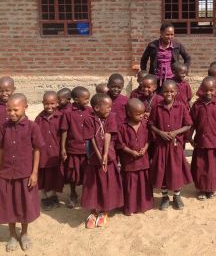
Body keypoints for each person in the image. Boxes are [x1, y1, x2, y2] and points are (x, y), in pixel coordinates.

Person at [0, 94, 44, 252]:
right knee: (9, 205)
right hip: (7, 173)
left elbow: (37, 150)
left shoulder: (32, 127)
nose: (11, 113)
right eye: (8, 110)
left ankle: (25, 233)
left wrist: (34, 173)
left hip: (25, 173)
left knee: (24, 205)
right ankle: (12, 235)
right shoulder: (3, 127)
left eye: (15, 110)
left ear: (25, 108)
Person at [149, 80, 193, 210]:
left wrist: (175, 132)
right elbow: (151, 124)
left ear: (176, 92)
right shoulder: (157, 107)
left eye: (172, 91)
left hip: (175, 146)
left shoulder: (181, 107)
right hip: (161, 146)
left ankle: (177, 196)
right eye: (166, 91)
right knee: (162, 170)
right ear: (162, 92)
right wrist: (160, 133)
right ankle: (164, 197)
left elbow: (188, 124)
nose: (169, 94)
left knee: (176, 170)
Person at [82, 94, 124, 228]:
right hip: (94, 158)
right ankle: (93, 211)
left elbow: (108, 134)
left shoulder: (111, 117)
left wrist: (105, 154)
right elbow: (91, 138)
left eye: (111, 107)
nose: (110, 109)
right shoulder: (89, 119)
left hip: (109, 156)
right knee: (93, 185)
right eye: (107, 107)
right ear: (96, 107)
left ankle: (104, 210)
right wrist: (99, 156)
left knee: (107, 183)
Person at [190, 77, 216, 200]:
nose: (208, 93)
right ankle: (201, 189)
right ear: (201, 90)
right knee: (200, 166)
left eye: (211, 90)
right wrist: (190, 137)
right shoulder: (197, 105)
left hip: (214, 142)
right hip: (200, 141)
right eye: (205, 90)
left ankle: (210, 189)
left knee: (212, 167)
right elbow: (192, 123)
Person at [117, 99, 153, 215]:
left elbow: (149, 139)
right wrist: (130, 152)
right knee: (130, 185)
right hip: (129, 161)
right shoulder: (122, 126)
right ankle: (130, 207)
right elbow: (120, 144)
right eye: (138, 114)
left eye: (142, 113)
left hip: (143, 160)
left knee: (143, 183)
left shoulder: (145, 124)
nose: (141, 116)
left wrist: (146, 148)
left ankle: (144, 205)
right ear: (129, 113)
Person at [60, 86, 91, 209]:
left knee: (87, 173)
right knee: (72, 173)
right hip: (73, 149)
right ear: (76, 100)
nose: (88, 101)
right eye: (86, 99)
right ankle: (73, 194)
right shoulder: (68, 113)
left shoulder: (90, 111)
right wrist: (63, 148)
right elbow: (64, 131)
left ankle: (86, 195)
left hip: (87, 150)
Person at [34, 91, 63, 210]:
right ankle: (44, 197)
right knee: (43, 176)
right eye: (46, 104)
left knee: (54, 176)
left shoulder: (61, 117)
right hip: (43, 154)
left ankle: (53, 195)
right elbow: (35, 137)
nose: (49, 106)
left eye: (52, 103)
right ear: (42, 103)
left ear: (57, 103)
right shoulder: (39, 119)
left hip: (55, 153)